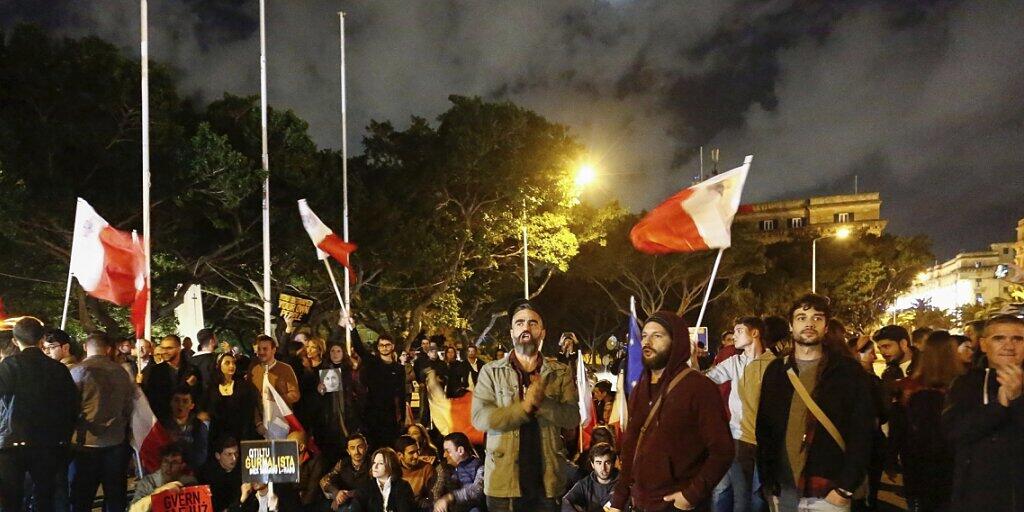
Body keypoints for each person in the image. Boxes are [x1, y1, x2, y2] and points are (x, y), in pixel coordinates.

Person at [756, 294, 875, 512]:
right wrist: (767, 480)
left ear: (826, 326)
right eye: (801, 317)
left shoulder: (847, 372)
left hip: (828, 490)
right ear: (791, 326)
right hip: (783, 488)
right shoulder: (776, 371)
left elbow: (863, 431)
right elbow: (764, 428)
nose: (809, 323)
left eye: (817, 318)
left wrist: (845, 488)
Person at [608, 311, 733, 512]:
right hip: (641, 502)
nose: (647, 342)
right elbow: (631, 442)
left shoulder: (699, 387)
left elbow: (722, 450)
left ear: (676, 341)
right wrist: (619, 498)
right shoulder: (641, 386)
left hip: (677, 504)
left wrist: (691, 494)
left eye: (657, 336)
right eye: (645, 336)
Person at [471, 299, 580, 512]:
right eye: (519, 323)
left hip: (547, 482)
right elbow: (480, 418)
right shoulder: (491, 372)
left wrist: (542, 404)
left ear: (543, 332)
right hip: (503, 482)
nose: (526, 328)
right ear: (512, 332)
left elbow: (572, 417)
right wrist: (525, 407)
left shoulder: (560, 372)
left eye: (532, 323)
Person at [942, 314, 1024, 512]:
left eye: (1018, 339)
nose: (1009, 346)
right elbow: (953, 433)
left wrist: (1017, 399)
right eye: (999, 338)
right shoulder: (965, 383)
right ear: (984, 344)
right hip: (977, 495)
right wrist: (999, 405)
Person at [0, 317, 79, 512]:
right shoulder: (58, 369)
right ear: (42, 340)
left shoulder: (9, 365)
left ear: (14, 340)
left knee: (12, 498)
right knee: (45, 497)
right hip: (49, 443)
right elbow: (72, 406)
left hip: (13, 443)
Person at [889, 331, 960, 512]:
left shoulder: (909, 388)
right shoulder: (963, 388)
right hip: (954, 469)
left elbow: (899, 428)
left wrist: (891, 458)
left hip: (918, 469)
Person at [705, 316, 768, 512]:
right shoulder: (734, 362)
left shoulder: (774, 365)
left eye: (739, 331)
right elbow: (706, 380)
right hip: (738, 439)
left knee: (758, 498)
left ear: (755, 333)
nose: (734, 336)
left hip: (765, 442)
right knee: (742, 499)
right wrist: (690, 360)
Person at [69, 331, 135, 512]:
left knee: (82, 496)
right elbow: (129, 405)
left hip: (85, 442)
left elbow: (70, 407)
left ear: (85, 347)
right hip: (115, 441)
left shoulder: (77, 371)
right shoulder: (121, 372)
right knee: (115, 495)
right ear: (108, 349)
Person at [342, 313, 407, 450]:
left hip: (389, 413)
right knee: (373, 444)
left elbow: (401, 392)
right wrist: (353, 328)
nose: (384, 347)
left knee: (389, 444)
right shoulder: (372, 362)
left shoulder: (399, 368)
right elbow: (359, 348)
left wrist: (403, 416)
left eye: (387, 345)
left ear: (392, 346)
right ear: (378, 347)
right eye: (381, 345)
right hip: (371, 410)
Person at [201, 352, 260, 443]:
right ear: (219, 365)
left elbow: (249, 410)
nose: (231, 366)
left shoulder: (243, 386)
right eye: (227, 363)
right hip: (217, 435)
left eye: (233, 363)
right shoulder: (211, 388)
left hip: (240, 434)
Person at [143, 334, 202, 423]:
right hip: (163, 420)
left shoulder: (192, 370)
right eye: (163, 348)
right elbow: (153, 397)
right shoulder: (154, 371)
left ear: (179, 348)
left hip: (188, 421)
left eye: (169, 348)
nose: (164, 351)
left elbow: (199, 395)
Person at [130, 444, 199, 512]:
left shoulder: (189, 482)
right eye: (166, 461)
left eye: (174, 462)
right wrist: (159, 492)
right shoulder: (147, 482)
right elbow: (133, 510)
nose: (169, 466)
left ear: (182, 466)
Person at [434, 432, 484, 512]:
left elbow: (477, 490)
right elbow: (436, 492)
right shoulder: (445, 469)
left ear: (460, 450)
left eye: (448, 451)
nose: (444, 455)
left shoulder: (480, 468)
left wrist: (451, 497)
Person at [321, 434, 372, 512]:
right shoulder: (342, 464)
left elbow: (374, 487)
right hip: (344, 501)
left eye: (360, 447)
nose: (356, 451)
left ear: (366, 448)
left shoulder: (374, 463)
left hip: (365, 502)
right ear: (348, 451)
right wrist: (336, 493)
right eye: (352, 448)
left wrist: (349, 494)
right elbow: (325, 481)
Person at [249, 334, 301, 411]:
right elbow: (251, 398)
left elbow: (295, 395)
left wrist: (276, 398)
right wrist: (258, 421)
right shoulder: (254, 370)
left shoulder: (286, 369)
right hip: (261, 418)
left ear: (274, 350)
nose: (261, 352)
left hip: (281, 418)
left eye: (265, 349)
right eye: (259, 349)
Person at [562, 442, 617, 512]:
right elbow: (566, 501)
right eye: (599, 463)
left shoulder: (622, 484)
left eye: (607, 463)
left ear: (613, 463)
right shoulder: (585, 484)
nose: (603, 468)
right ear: (592, 464)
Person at [164, 387, 210, 471]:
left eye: (185, 401)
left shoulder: (199, 426)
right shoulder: (162, 425)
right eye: (177, 400)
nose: (180, 404)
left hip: (191, 472)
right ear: (171, 403)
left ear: (191, 405)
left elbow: (201, 456)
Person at [359, 447, 416, 512]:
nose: (375, 466)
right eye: (374, 463)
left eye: (380, 463)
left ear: (391, 465)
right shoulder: (366, 487)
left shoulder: (403, 486)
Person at [198, 436, 242, 512]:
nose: (234, 458)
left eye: (236, 453)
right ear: (218, 456)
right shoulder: (207, 476)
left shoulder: (242, 471)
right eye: (229, 454)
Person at [395, 435, 438, 510]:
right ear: (399, 455)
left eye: (417, 451)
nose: (416, 456)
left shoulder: (426, 469)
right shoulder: (394, 471)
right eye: (411, 453)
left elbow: (433, 495)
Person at [191, 328, 220, 397]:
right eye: (216, 338)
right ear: (211, 341)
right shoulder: (216, 360)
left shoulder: (190, 360)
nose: (217, 340)